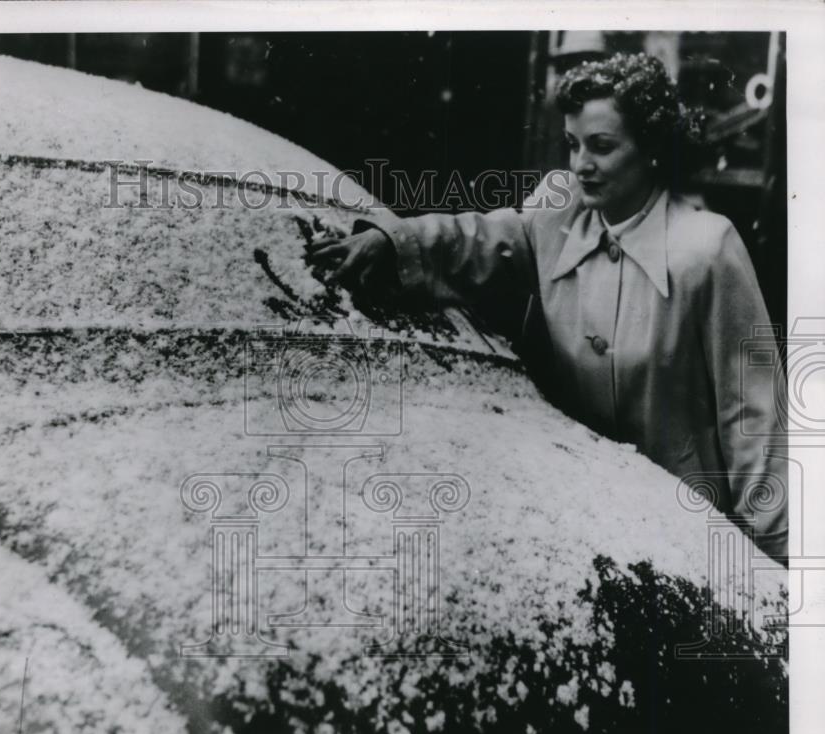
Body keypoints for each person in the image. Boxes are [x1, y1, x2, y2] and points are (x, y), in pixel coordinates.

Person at [307, 52, 788, 564]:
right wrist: (391, 238)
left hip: (685, 542)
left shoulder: (705, 249)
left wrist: (777, 565)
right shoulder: (556, 220)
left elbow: (754, 417)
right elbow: (473, 240)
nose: (581, 163)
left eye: (602, 147)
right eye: (573, 144)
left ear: (651, 148)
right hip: (574, 532)